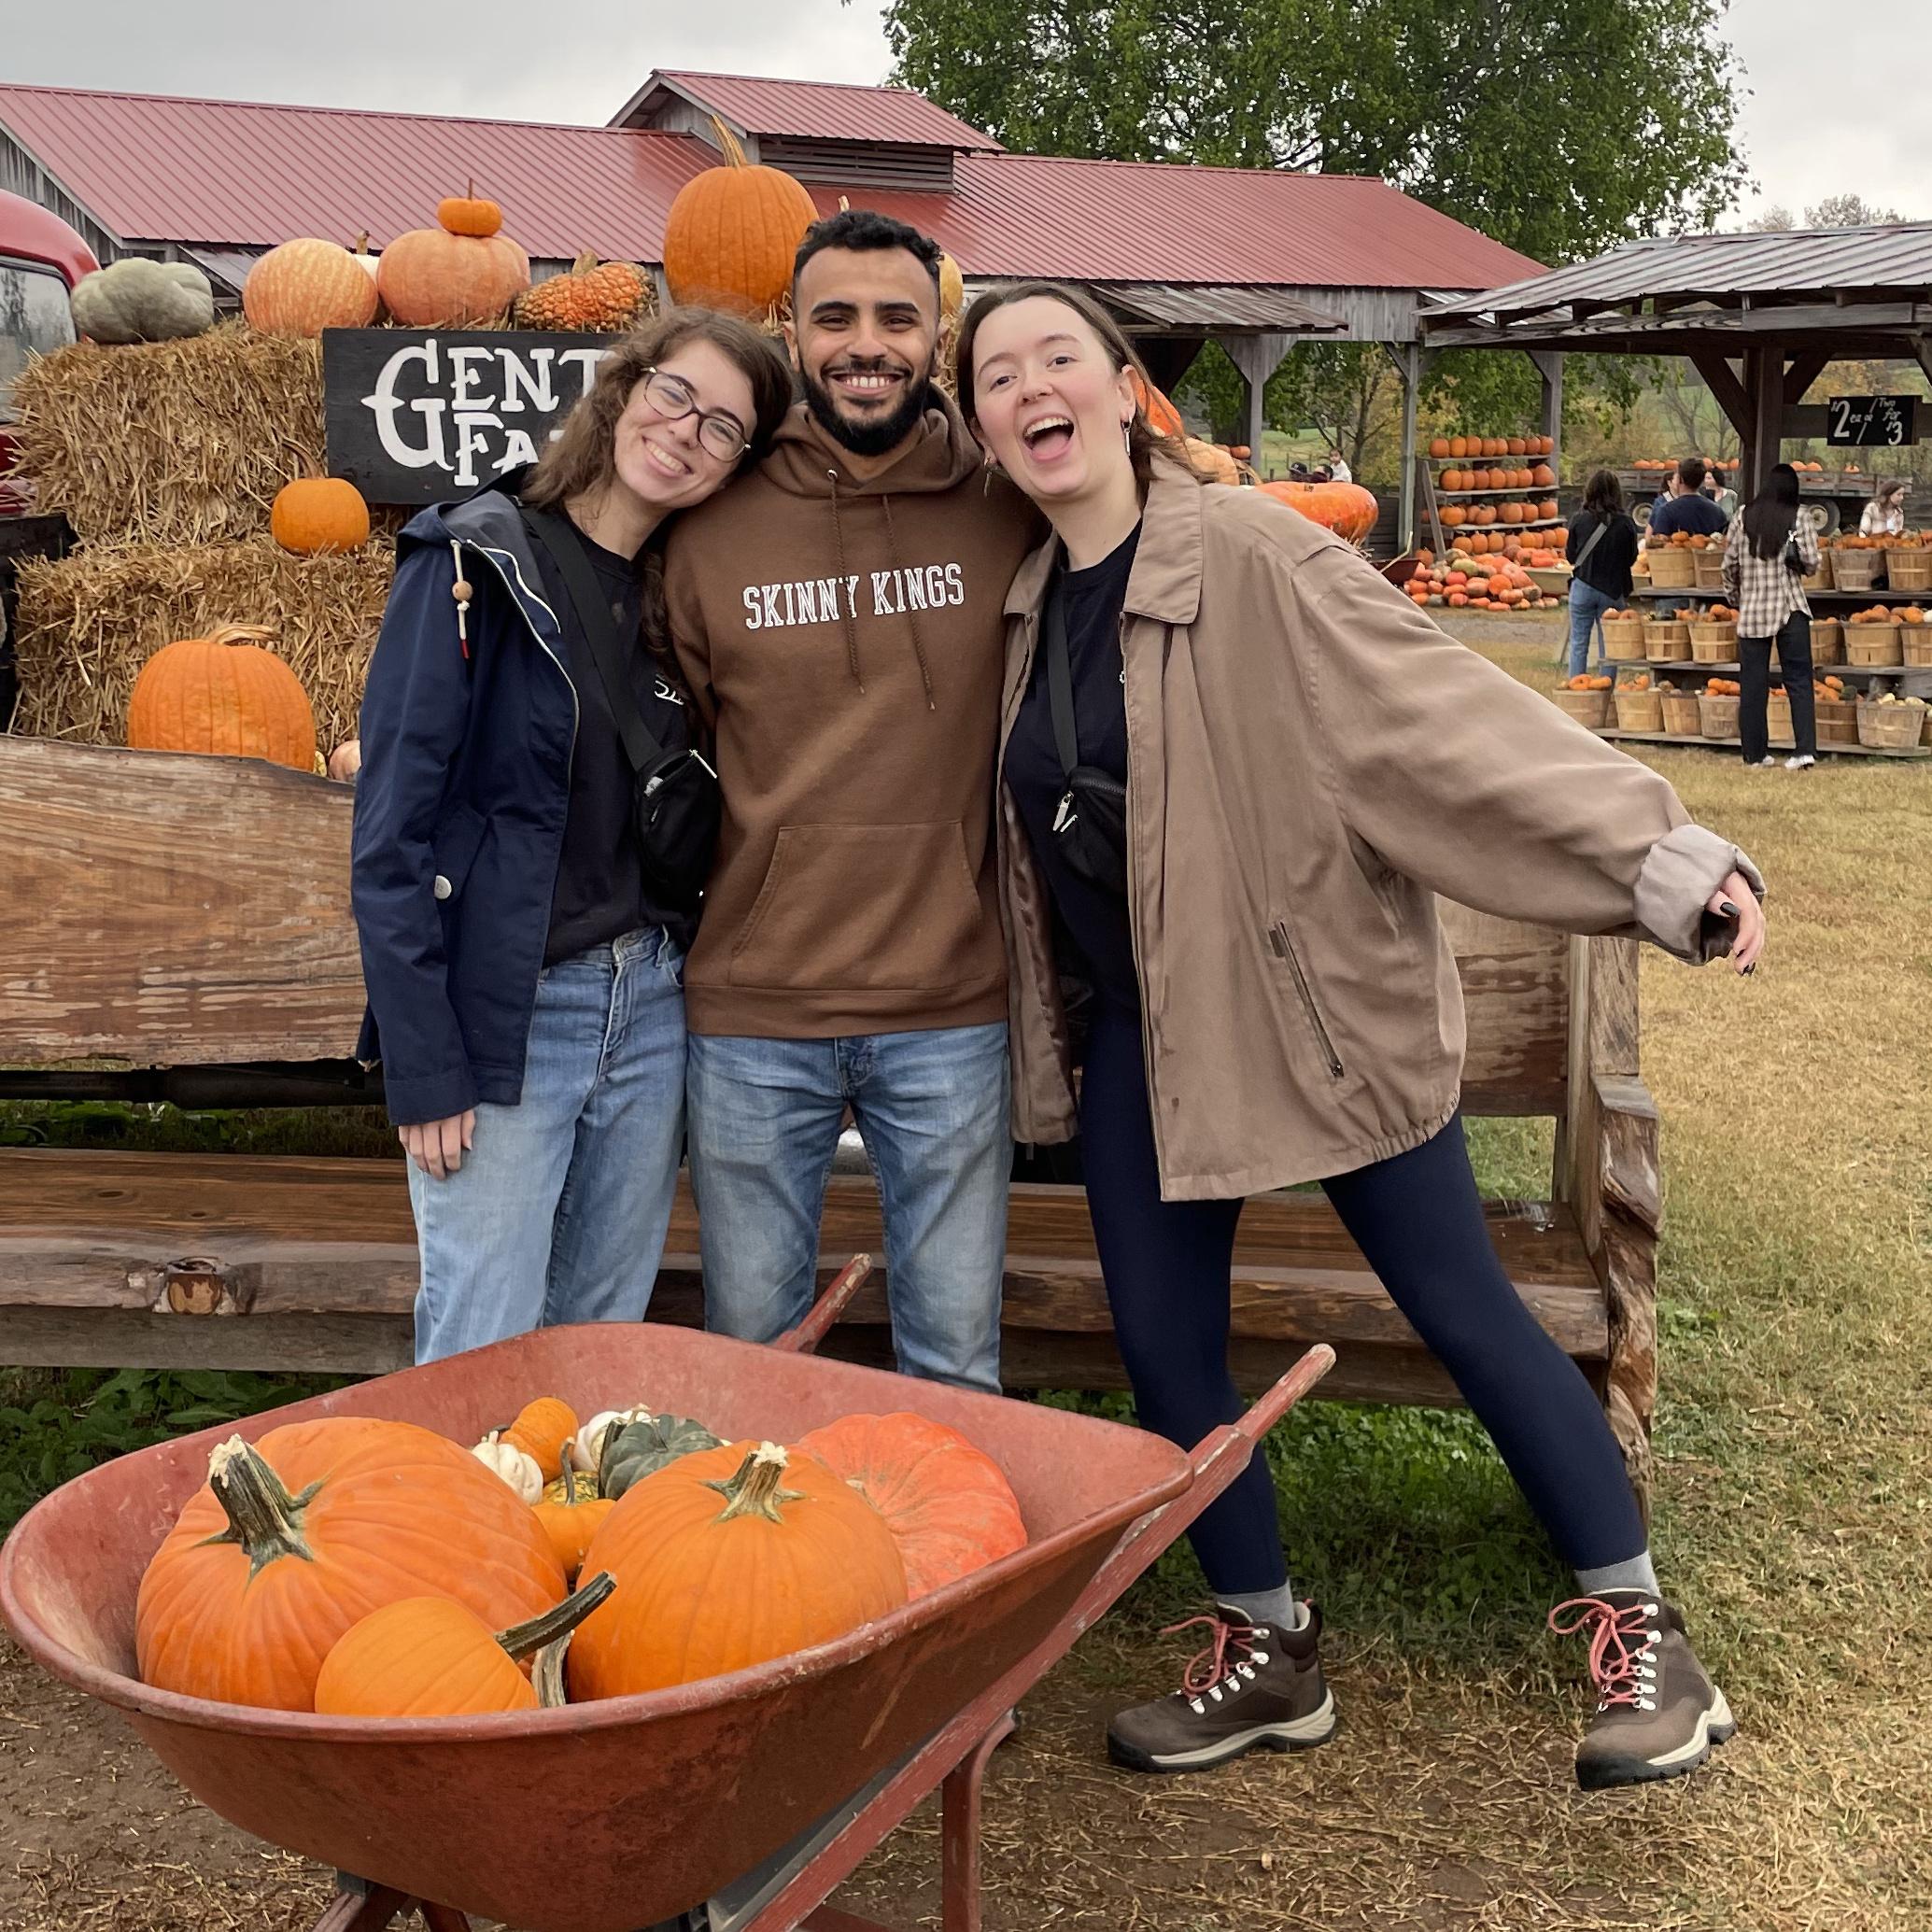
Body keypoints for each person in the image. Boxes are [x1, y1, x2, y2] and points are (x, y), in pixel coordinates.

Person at [959, 280, 1765, 1793]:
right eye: (995, 374)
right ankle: (1266, 1645)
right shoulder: (1028, 602)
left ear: (1127, 387)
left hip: (1318, 1013)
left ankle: (1643, 1634)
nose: (1028, 387)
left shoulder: (1251, 553)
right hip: (1146, 1038)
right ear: (982, 426)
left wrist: (1663, 858)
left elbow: (1441, 715)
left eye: (1055, 355)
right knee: (1164, 1346)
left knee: (1461, 1309)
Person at [351, 313, 794, 1364]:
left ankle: (573, 1538)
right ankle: (458, 1536)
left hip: (646, 1012)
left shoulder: (681, 601)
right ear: (625, 386)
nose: (687, 432)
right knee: (481, 1342)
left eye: (725, 427)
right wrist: (422, 1058)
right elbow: (391, 832)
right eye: (676, 394)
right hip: (510, 1015)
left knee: (597, 1341)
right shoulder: (473, 558)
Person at [664, 210, 1037, 1394]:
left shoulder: (1005, 503)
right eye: (834, 317)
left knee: (952, 1356)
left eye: (895, 318)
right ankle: (770, 1580)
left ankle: (958, 1580)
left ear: (938, 335)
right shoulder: (706, 520)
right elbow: (634, 732)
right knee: (757, 1358)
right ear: (792, 331)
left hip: (950, 1005)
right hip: (753, 1011)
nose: (863, 344)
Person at [1723, 462, 1820, 772]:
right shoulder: (1800, 516)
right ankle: (1804, 751)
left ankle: (1755, 754)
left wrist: (1737, 598)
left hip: (1752, 610)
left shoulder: (1742, 516)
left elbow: (1729, 566)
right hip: (1790, 607)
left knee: (1752, 683)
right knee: (1799, 681)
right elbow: (1812, 562)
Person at [1563, 470, 1641, 678]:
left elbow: (1571, 556)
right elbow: (1632, 557)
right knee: (1610, 646)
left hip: (1582, 586)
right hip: (1612, 589)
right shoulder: (1625, 524)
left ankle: (1577, 689)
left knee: (1579, 643)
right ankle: (1604, 690)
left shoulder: (1579, 519)